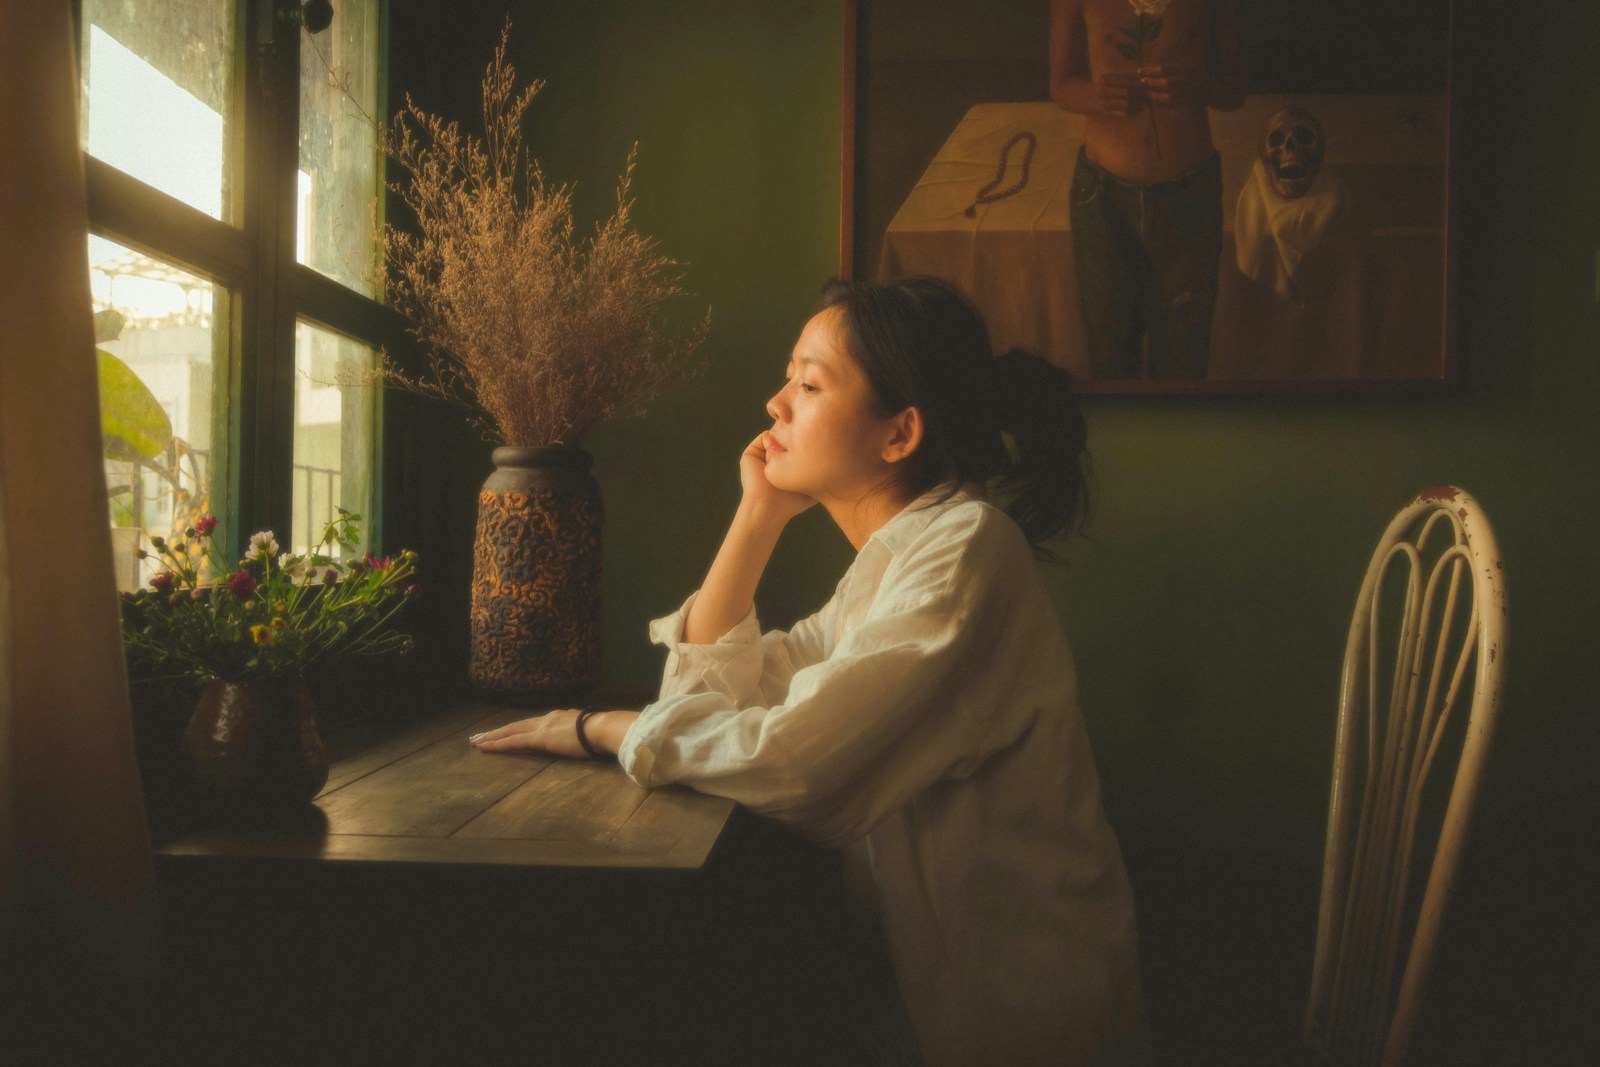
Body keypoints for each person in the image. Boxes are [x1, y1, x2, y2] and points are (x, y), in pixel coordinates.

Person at [470, 276, 1147, 1065]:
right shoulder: (891, 568)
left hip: (1029, 1015)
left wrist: (601, 729)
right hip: (941, 1005)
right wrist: (756, 514)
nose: (775, 403)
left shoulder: (966, 548)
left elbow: (796, 766)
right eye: (787, 377)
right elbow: (705, 696)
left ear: (900, 434)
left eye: (810, 382)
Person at [1050, 0, 1247, 379]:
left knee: (1183, 347)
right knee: (1109, 347)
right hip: (1102, 195)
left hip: (1190, 190)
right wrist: (1097, 97)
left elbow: (1237, 87)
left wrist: (1198, 86)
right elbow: (1061, 85)